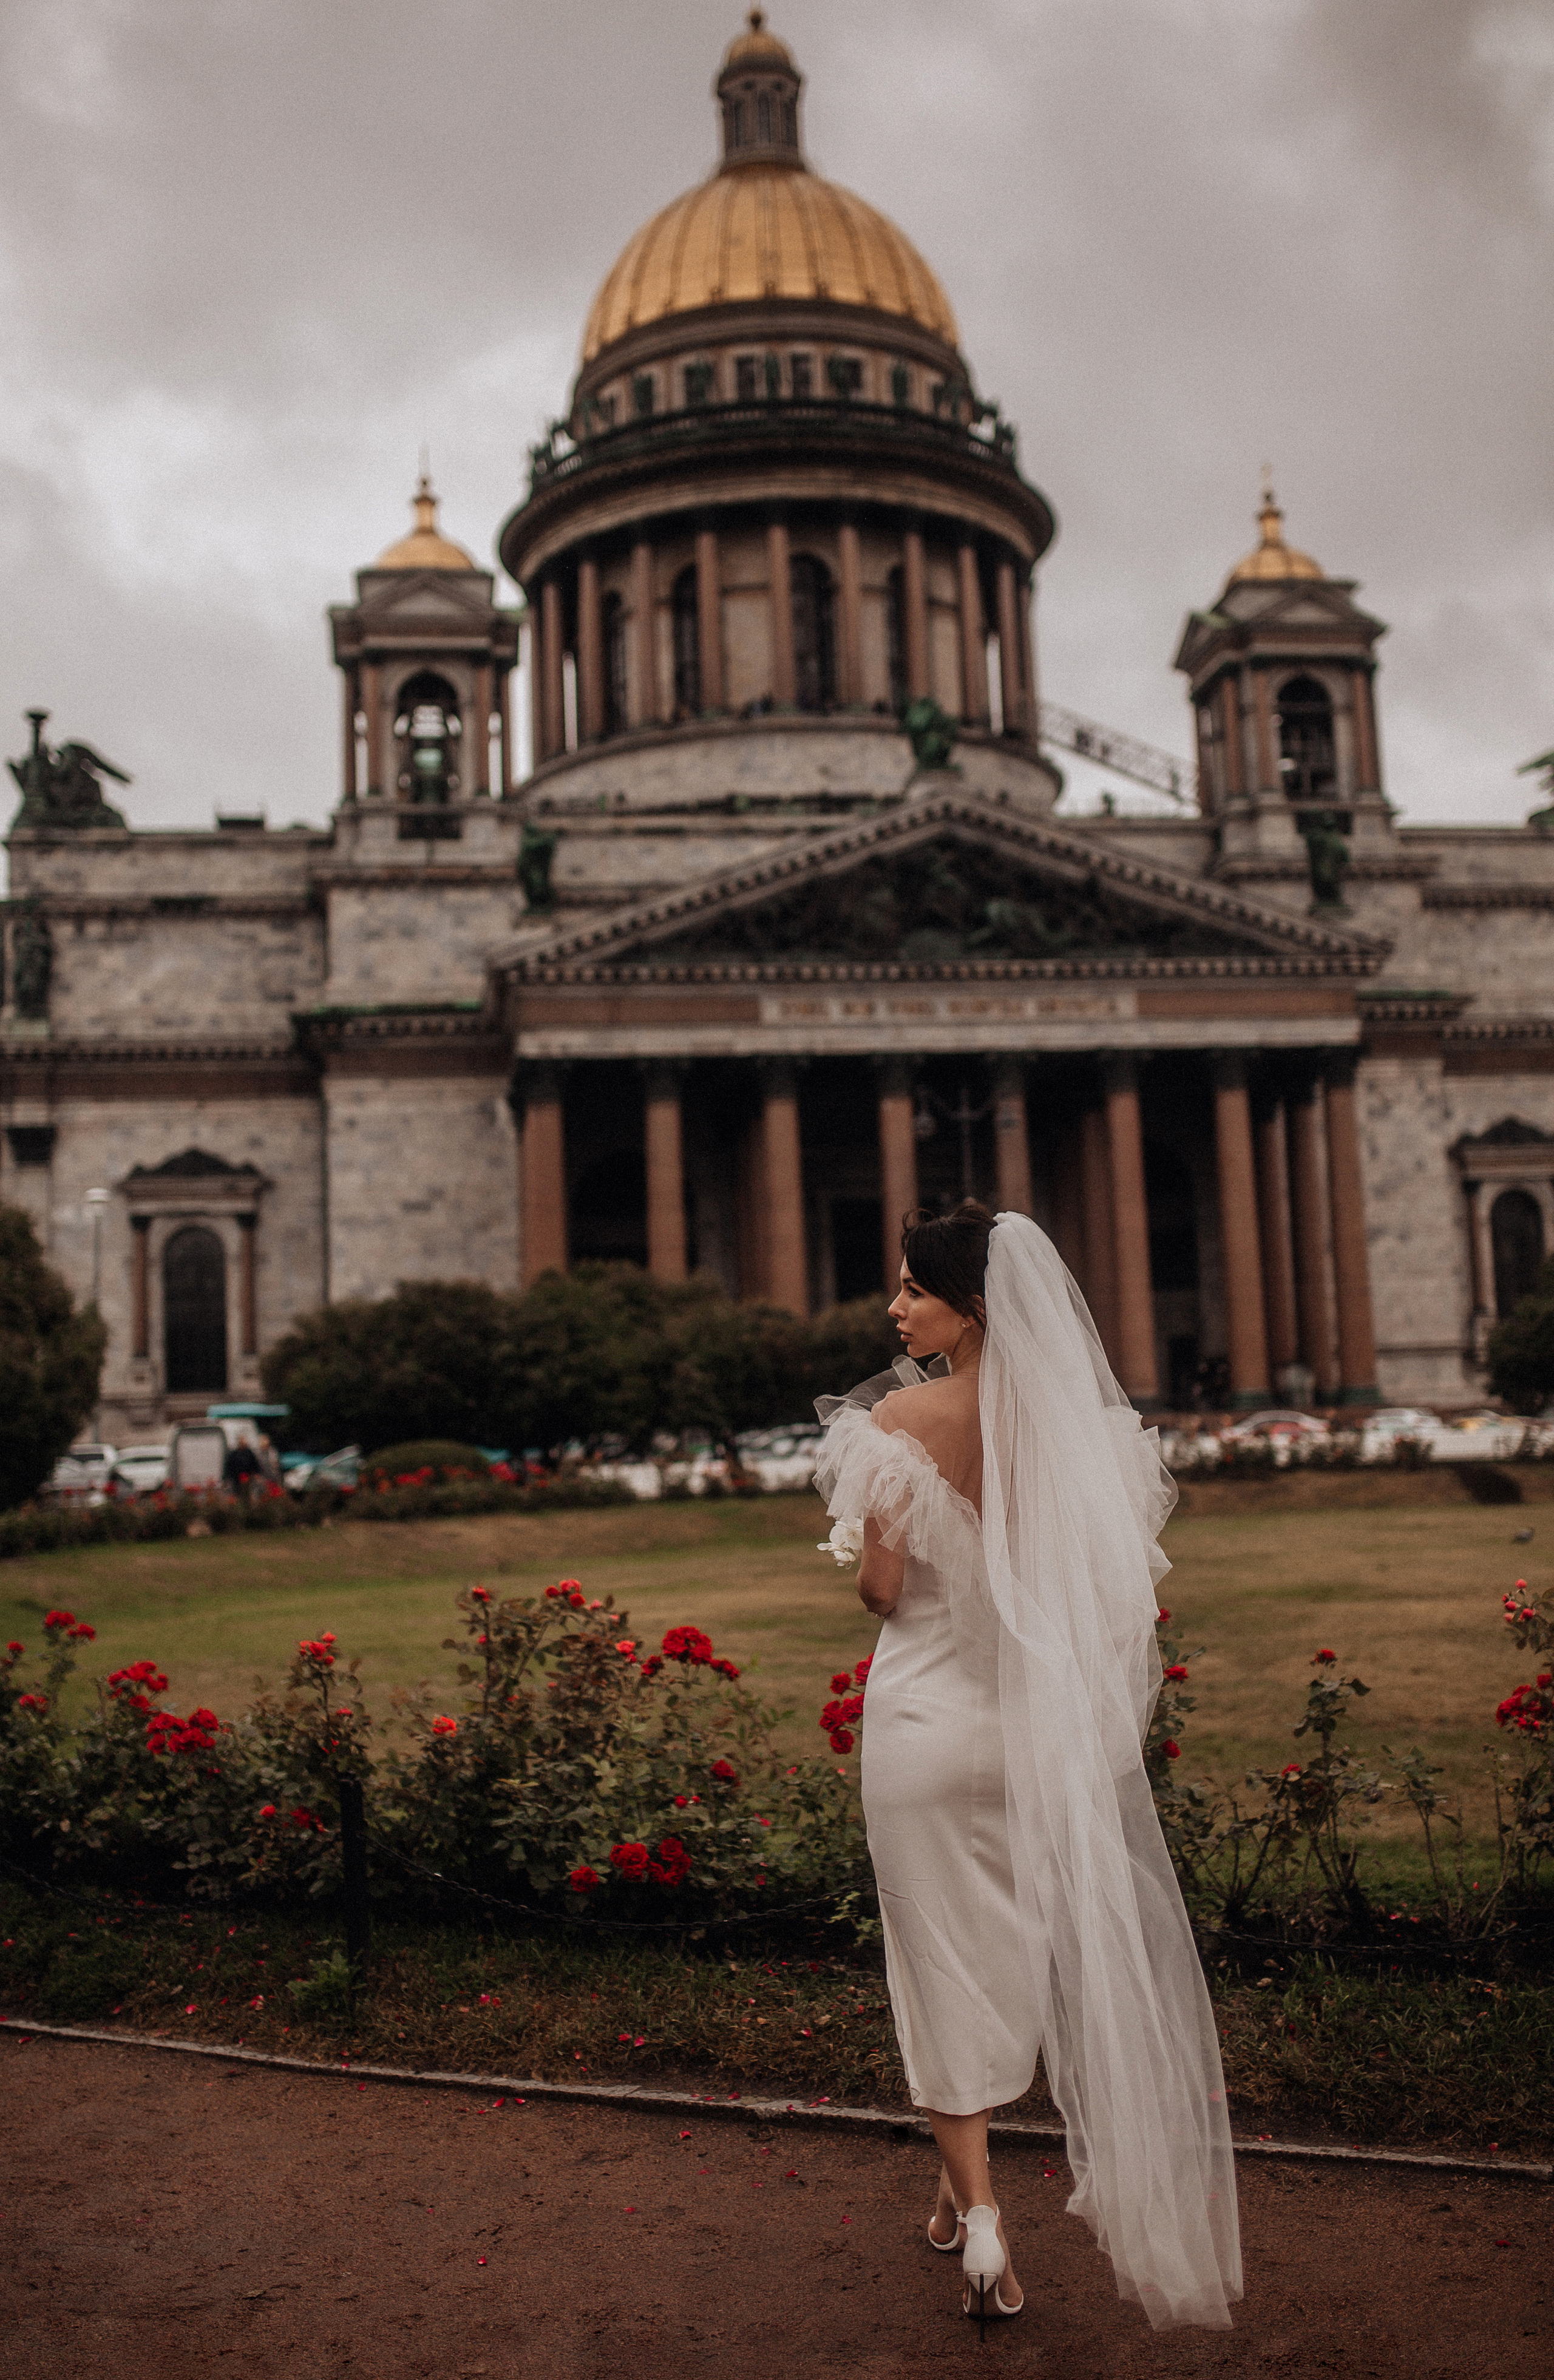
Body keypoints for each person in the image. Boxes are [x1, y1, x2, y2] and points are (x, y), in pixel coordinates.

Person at [814, 1201, 1241, 2333]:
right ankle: (953, 2204)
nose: (895, 1306)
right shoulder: (1084, 1434)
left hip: (922, 1727)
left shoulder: (902, 1416)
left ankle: (991, 2225)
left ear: (976, 1306)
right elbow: (1109, 1596)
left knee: (937, 1961)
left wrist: (873, 1534)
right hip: (1029, 1733)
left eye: (913, 1288)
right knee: (1015, 1942)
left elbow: (883, 1593)